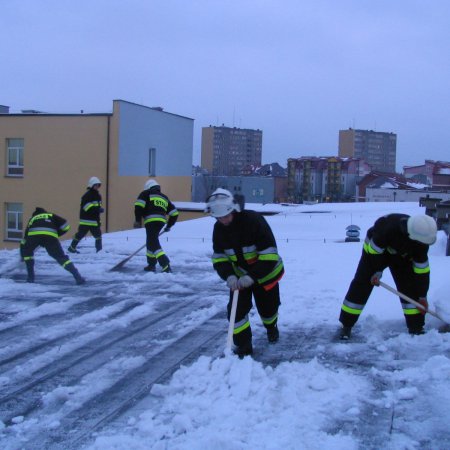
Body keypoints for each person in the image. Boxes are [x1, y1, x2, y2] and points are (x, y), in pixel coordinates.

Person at [205, 188, 284, 357]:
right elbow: (220, 258)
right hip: (239, 278)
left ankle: (271, 328)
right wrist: (229, 275)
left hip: (266, 275)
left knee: (268, 311)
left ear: (234, 210)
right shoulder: (218, 229)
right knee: (236, 312)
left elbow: (269, 255)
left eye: (226, 216)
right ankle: (244, 346)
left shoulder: (254, 221)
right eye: (218, 218)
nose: (223, 221)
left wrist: (253, 276)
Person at [339, 213, 437, 339]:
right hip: (375, 252)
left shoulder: (422, 243)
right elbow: (374, 252)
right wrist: (376, 271)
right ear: (412, 235)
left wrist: (422, 296)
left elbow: (422, 272)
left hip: (402, 257)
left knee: (410, 289)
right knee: (362, 284)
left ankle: (416, 327)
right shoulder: (387, 228)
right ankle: (346, 325)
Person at [20, 207, 85, 285]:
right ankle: (78, 277)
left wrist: (23, 254)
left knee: (28, 254)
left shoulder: (33, 218)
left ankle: (30, 278)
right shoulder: (51, 215)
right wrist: (56, 234)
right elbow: (66, 226)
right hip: (50, 237)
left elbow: (25, 237)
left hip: (34, 236)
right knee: (61, 257)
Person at [134, 179, 179, 273]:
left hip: (150, 221)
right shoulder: (164, 197)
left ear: (148, 187)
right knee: (150, 241)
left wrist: (138, 220)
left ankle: (165, 264)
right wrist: (168, 226)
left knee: (153, 242)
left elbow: (138, 206)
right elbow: (174, 213)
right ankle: (151, 264)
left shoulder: (146, 193)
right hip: (161, 222)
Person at [68, 176, 103, 253]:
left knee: (98, 236)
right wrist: (98, 210)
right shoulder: (87, 195)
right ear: (91, 185)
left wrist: (98, 219)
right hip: (86, 220)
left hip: (94, 220)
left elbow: (97, 208)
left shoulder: (98, 196)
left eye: (98, 185)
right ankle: (71, 248)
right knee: (80, 235)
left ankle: (99, 250)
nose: (97, 186)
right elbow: (87, 208)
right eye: (95, 185)